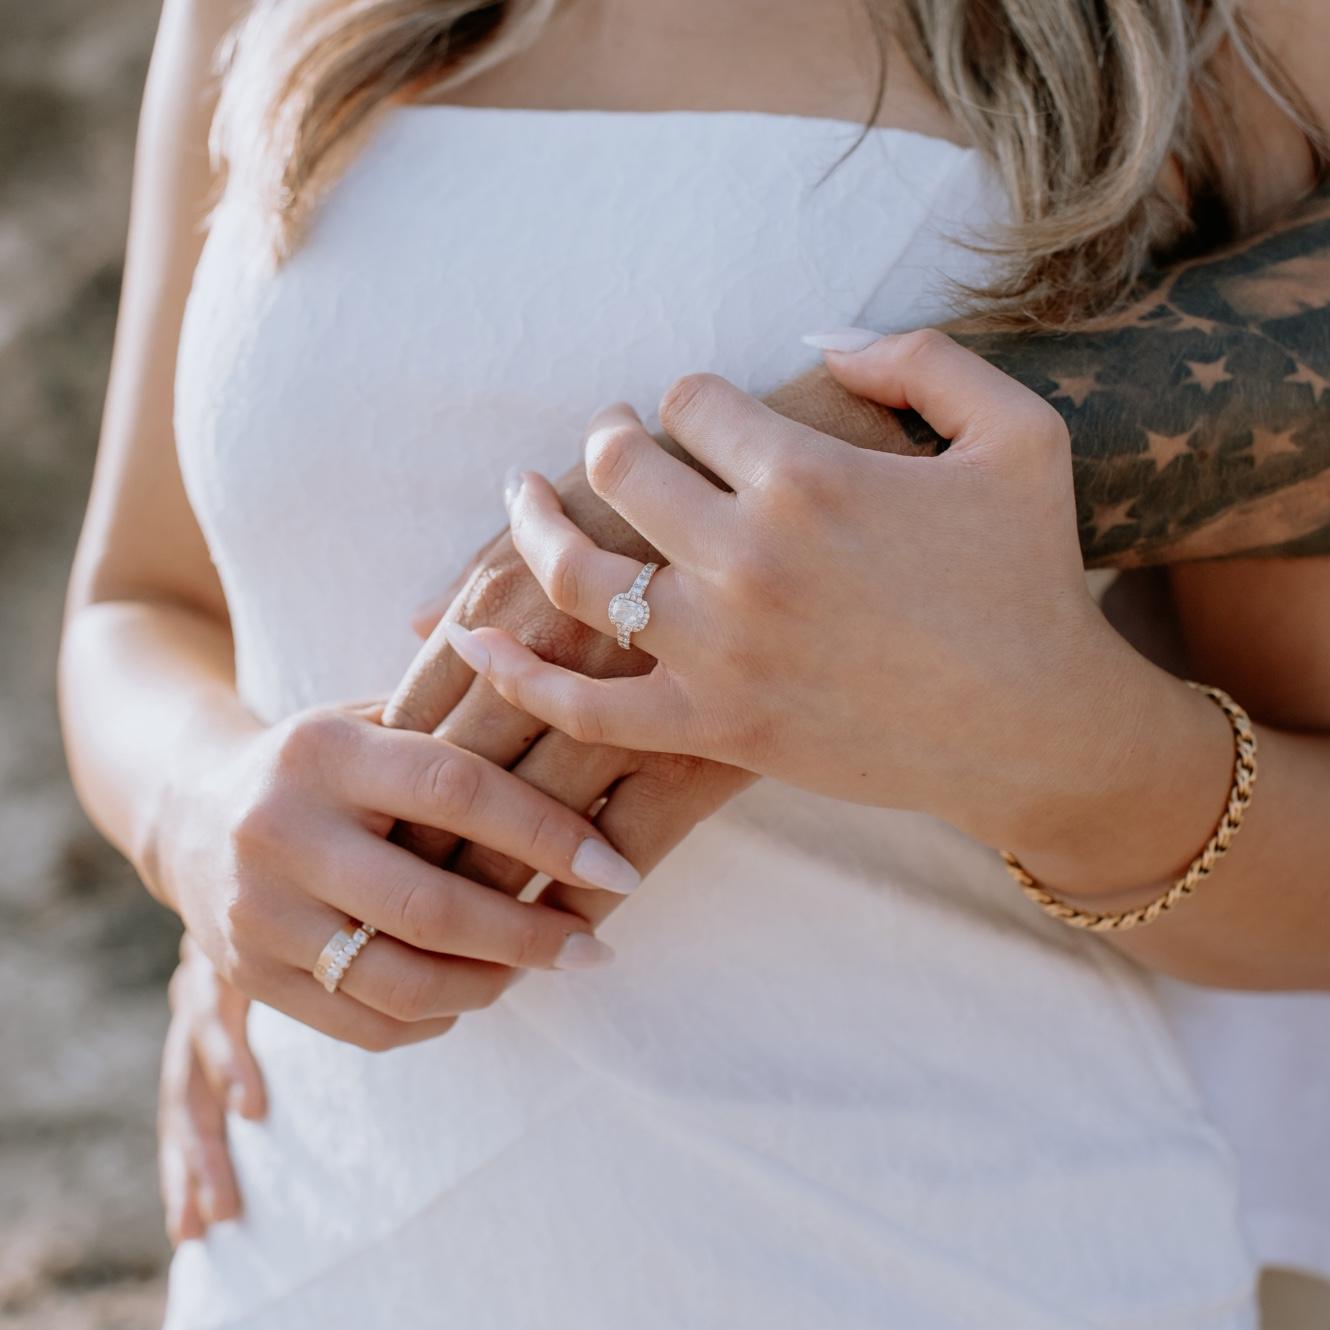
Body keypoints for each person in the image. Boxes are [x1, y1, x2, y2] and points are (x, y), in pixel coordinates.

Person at [61, 0, 1330, 1325]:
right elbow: (136, 605)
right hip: (324, 1247)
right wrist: (201, 815)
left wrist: (1037, 745)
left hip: (950, 1256)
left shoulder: (1196, 32)